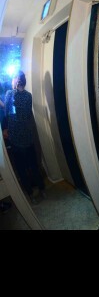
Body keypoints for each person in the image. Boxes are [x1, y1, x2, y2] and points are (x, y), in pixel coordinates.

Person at [3, 71, 46, 204]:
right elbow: (25, 114)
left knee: (21, 169)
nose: (11, 81)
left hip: (16, 139)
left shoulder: (9, 94)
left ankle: (31, 194)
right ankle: (42, 189)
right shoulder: (28, 95)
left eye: (13, 78)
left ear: (16, 80)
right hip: (28, 137)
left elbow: (7, 113)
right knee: (33, 165)